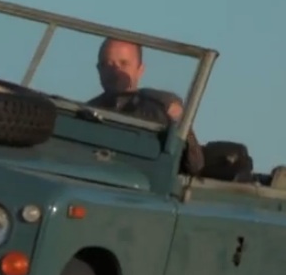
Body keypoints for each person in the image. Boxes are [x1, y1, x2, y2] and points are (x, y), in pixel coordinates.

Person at [87, 38, 204, 176]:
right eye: (107, 64)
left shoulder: (160, 109)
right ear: (99, 69)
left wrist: (179, 121)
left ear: (140, 69)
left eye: (124, 63)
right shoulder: (86, 112)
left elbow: (194, 165)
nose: (115, 71)